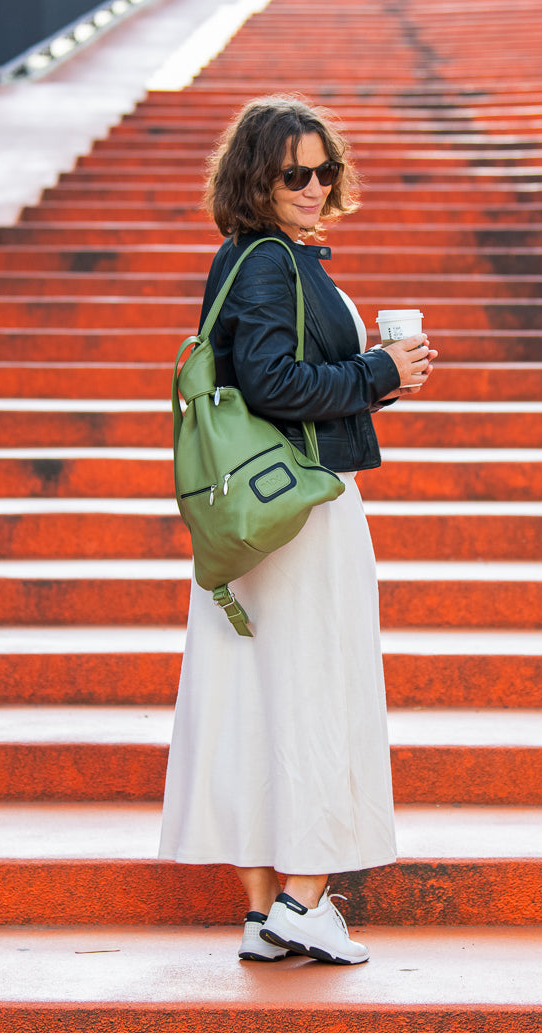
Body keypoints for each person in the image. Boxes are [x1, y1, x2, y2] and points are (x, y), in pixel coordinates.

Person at [158, 94, 435, 966]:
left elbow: (259, 377)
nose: (315, 186)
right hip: (301, 510)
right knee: (319, 690)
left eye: (325, 170)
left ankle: (259, 911)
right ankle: (305, 896)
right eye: (294, 174)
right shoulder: (275, 263)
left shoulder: (239, 259)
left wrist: (375, 381)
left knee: (250, 697)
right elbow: (275, 383)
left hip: (249, 514)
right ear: (258, 178)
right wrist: (376, 368)